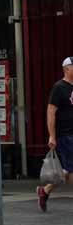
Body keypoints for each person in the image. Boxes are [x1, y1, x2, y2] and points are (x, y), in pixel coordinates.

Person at [37, 57, 73, 212]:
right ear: (66, 69)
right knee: (69, 170)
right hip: (65, 134)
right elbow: (51, 111)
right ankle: (44, 191)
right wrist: (52, 135)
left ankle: (44, 191)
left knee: (67, 171)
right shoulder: (59, 87)